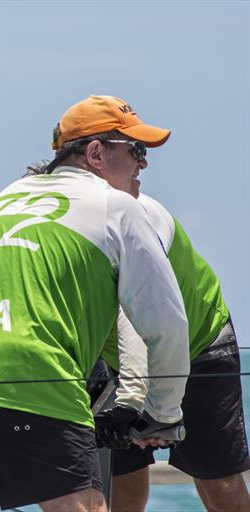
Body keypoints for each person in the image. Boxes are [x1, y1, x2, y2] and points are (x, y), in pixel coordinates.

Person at [0, 95, 190, 512]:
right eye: (135, 151)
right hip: (33, 376)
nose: (144, 164)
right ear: (96, 153)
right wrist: (164, 413)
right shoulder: (116, 206)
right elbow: (167, 326)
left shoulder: (6, 196)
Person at [96, 198, 250, 509]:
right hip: (118, 361)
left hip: (200, 345)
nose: (142, 164)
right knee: (122, 474)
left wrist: (141, 407)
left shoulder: (132, 216)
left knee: (217, 480)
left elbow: (137, 319)